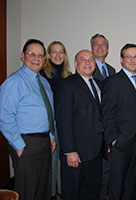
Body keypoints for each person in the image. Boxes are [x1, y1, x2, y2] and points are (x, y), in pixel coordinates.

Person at [0, 39, 56, 200]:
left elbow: (48, 111)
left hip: (44, 142)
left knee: (43, 189)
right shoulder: (14, 81)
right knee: (27, 191)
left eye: (40, 55)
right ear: (22, 56)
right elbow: (4, 116)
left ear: (45, 58)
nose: (36, 58)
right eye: (32, 54)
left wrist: (51, 137)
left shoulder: (44, 82)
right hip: (26, 143)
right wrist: (19, 146)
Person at [101, 43, 136, 200]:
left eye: (135, 56)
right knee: (117, 185)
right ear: (121, 60)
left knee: (132, 183)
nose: (132, 60)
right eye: (128, 56)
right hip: (120, 143)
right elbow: (107, 113)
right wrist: (113, 139)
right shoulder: (112, 81)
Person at [55, 50, 103, 200]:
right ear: (75, 64)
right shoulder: (67, 85)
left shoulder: (99, 84)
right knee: (73, 192)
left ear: (95, 64)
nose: (88, 63)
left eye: (91, 59)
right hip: (76, 152)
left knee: (92, 191)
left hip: (96, 151)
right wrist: (70, 150)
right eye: (83, 59)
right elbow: (64, 120)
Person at [40, 41, 72, 200]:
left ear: (65, 55)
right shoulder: (42, 76)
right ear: (48, 55)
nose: (58, 55)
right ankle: (51, 194)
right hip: (50, 126)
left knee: (63, 161)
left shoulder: (70, 76)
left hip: (65, 124)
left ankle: (62, 191)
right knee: (52, 162)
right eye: (54, 52)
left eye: (61, 52)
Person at [90, 33, 116, 200]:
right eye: (96, 44)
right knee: (96, 169)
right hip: (93, 127)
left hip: (109, 125)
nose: (99, 47)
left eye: (102, 44)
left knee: (108, 168)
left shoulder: (112, 70)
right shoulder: (87, 67)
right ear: (92, 48)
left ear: (107, 49)